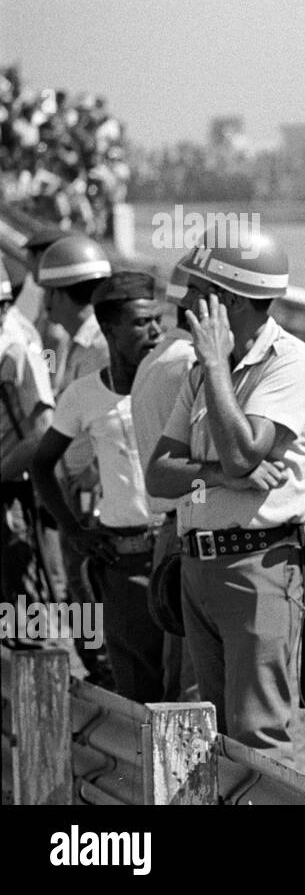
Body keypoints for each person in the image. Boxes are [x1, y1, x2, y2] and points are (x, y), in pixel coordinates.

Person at [146, 224, 305, 758]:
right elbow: (159, 474)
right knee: (214, 736)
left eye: (197, 291)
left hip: (259, 566)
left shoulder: (291, 364)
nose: (183, 302)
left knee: (257, 737)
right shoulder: (206, 373)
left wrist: (213, 366)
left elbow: (243, 451)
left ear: (229, 300)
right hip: (198, 565)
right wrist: (220, 476)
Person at [32, 272, 169, 702]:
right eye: (140, 322)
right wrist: (75, 533)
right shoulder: (82, 396)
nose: (155, 331)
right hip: (123, 562)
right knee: (137, 690)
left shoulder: (175, 383)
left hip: (175, 556)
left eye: (157, 320)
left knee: (184, 686)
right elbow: (42, 465)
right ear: (108, 330)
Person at [37, 232, 114, 686]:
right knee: (79, 597)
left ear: (65, 293)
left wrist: (91, 477)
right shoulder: (82, 343)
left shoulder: (101, 346)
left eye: (49, 291)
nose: (44, 302)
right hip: (75, 490)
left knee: (88, 594)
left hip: (92, 495)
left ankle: (108, 678)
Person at [129, 260, 199, 701]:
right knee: (193, 680)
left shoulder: (156, 358)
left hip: (171, 527)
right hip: (187, 526)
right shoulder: (192, 361)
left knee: (183, 671)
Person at [1, 269, 57, 643]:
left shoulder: (19, 349)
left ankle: (37, 678)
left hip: (12, 488)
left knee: (23, 593)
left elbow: (42, 431)